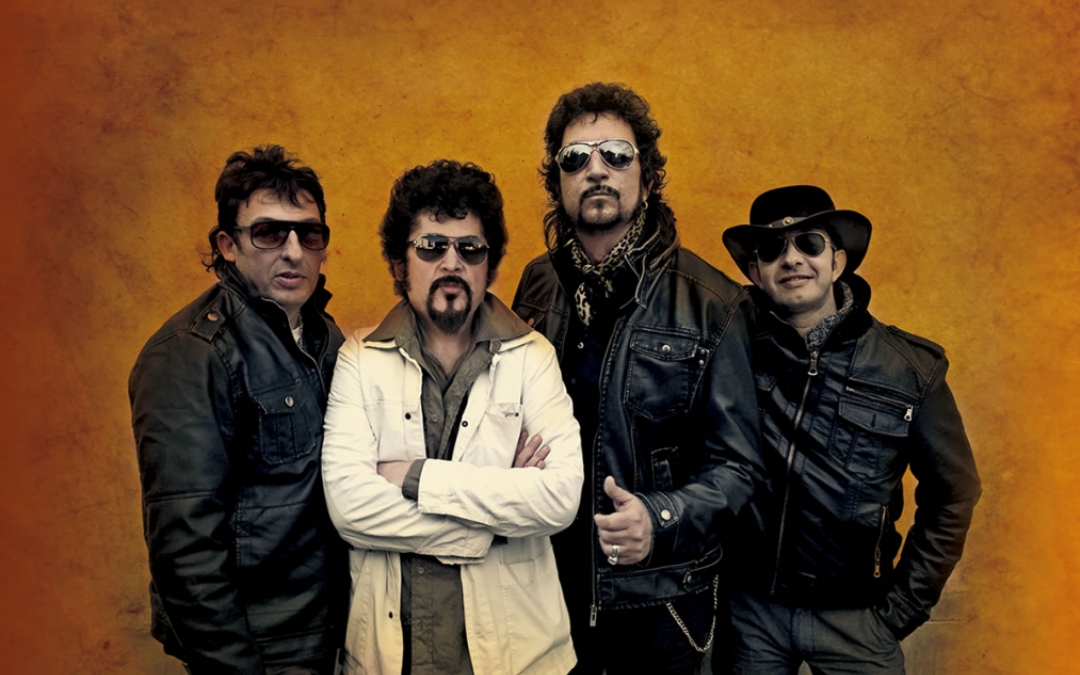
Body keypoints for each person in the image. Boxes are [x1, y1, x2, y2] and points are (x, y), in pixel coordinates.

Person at [511, 82, 765, 675]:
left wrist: (661, 516)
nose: (596, 169)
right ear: (558, 183)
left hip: (661, 601)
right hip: (547, 589)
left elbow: (740, 467)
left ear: (647, 180)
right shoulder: (537, 284)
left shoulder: (713, 303)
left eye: (617, 155)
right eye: (576, 158)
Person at [321, 159, 584, 675]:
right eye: (431, 246)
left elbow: (560, 498)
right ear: (400, 263)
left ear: (489, 263)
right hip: (393, 658)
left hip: (519, 658)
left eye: (470, 249)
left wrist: (416, 478)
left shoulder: (533, 356)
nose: (452, 262)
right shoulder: (359, 359)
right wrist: (491, 527)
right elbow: (350, 508)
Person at [719, 185, 982, 673]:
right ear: (755, 272)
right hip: (751, 614)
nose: (791, 259)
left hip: (857, 619)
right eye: (772, 249)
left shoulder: (909, 369)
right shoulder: (729, 349)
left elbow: (954, 493)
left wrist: (900, 610)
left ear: (838, 262)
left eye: (809, 244)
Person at [129, 145, 348, 674]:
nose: (293, 252)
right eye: (269, 233)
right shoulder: (192, 354)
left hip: (331, 633)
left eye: (309, 234)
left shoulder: (326, 337)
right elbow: (186, 549)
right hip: (262, 649)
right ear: (228, 245)